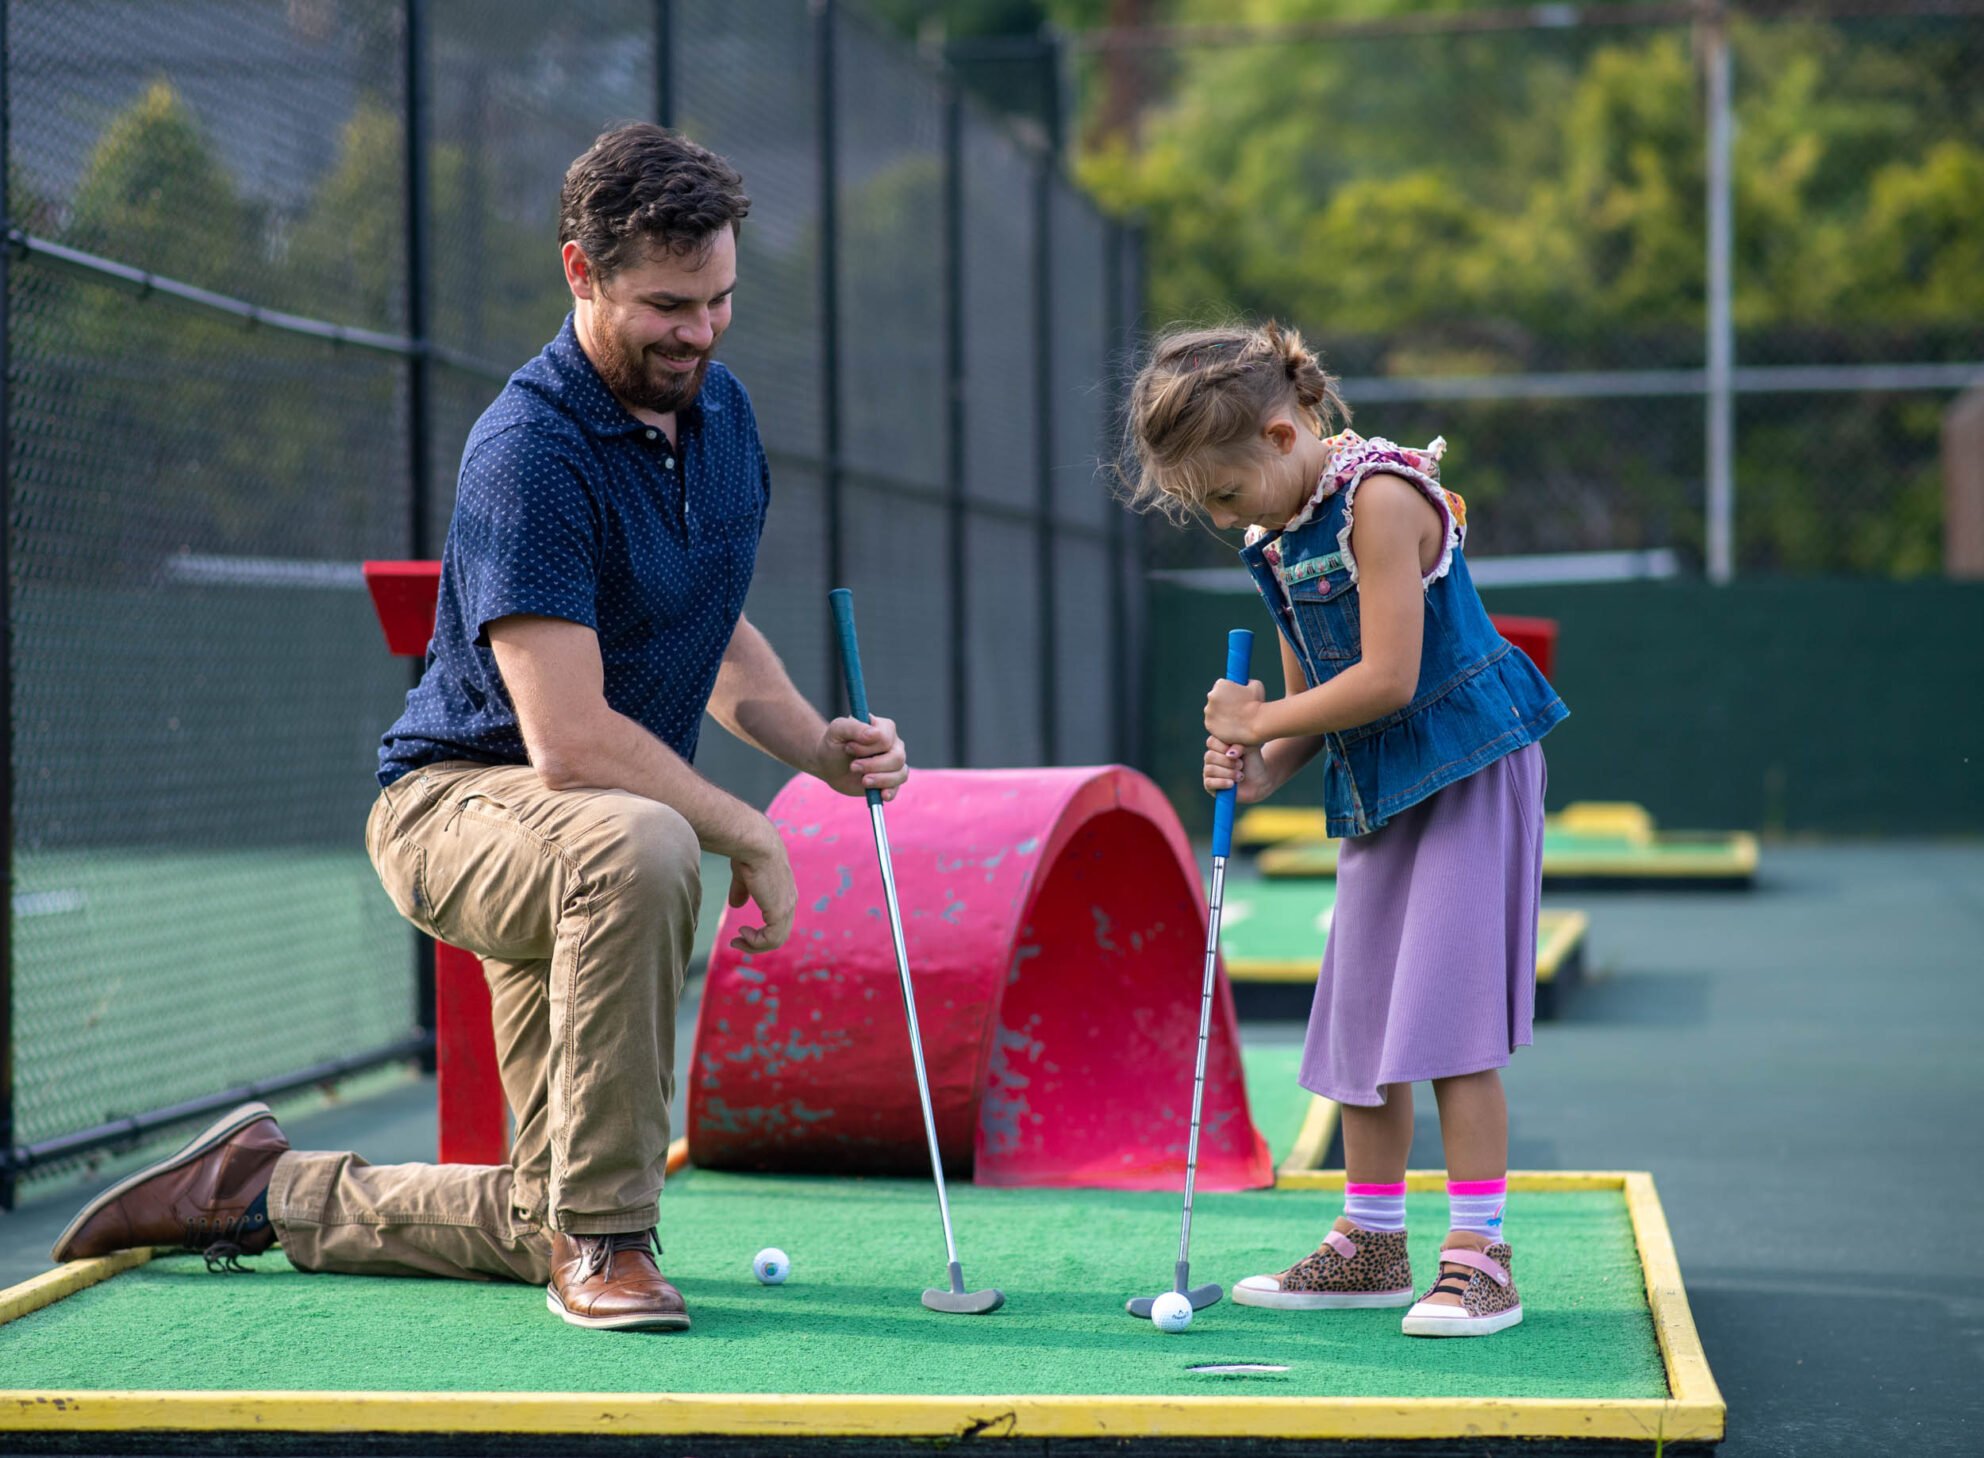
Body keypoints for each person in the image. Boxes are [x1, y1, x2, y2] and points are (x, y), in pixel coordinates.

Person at [50, 123, 909, 1333]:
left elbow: (706, 624)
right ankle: (614, 1242)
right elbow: (568, 741)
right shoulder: (531, 447)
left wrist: (816, 746)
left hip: (583, 838)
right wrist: (751, 832)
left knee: (531, 1214)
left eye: (718, 300)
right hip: (459, 810)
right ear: (580, 272)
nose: (701, 332)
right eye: (667, 305)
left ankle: (254, 1191)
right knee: (649, 839)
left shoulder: (723, 417)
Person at [1122, 321, 1566, 1338]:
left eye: (1222, 493)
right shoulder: (1274, 539)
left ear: (1283, 437)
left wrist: (1260, 722)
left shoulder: (1382, 500)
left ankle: (1480, 1257)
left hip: (1468, 766)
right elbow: (1312, 703)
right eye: (1199, 505)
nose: (1217, 516)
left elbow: (1388, 679)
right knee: (1360, 1020)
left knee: (1451, 1027)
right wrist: (1259, 760)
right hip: (1382, 783)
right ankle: (1370, 1243)